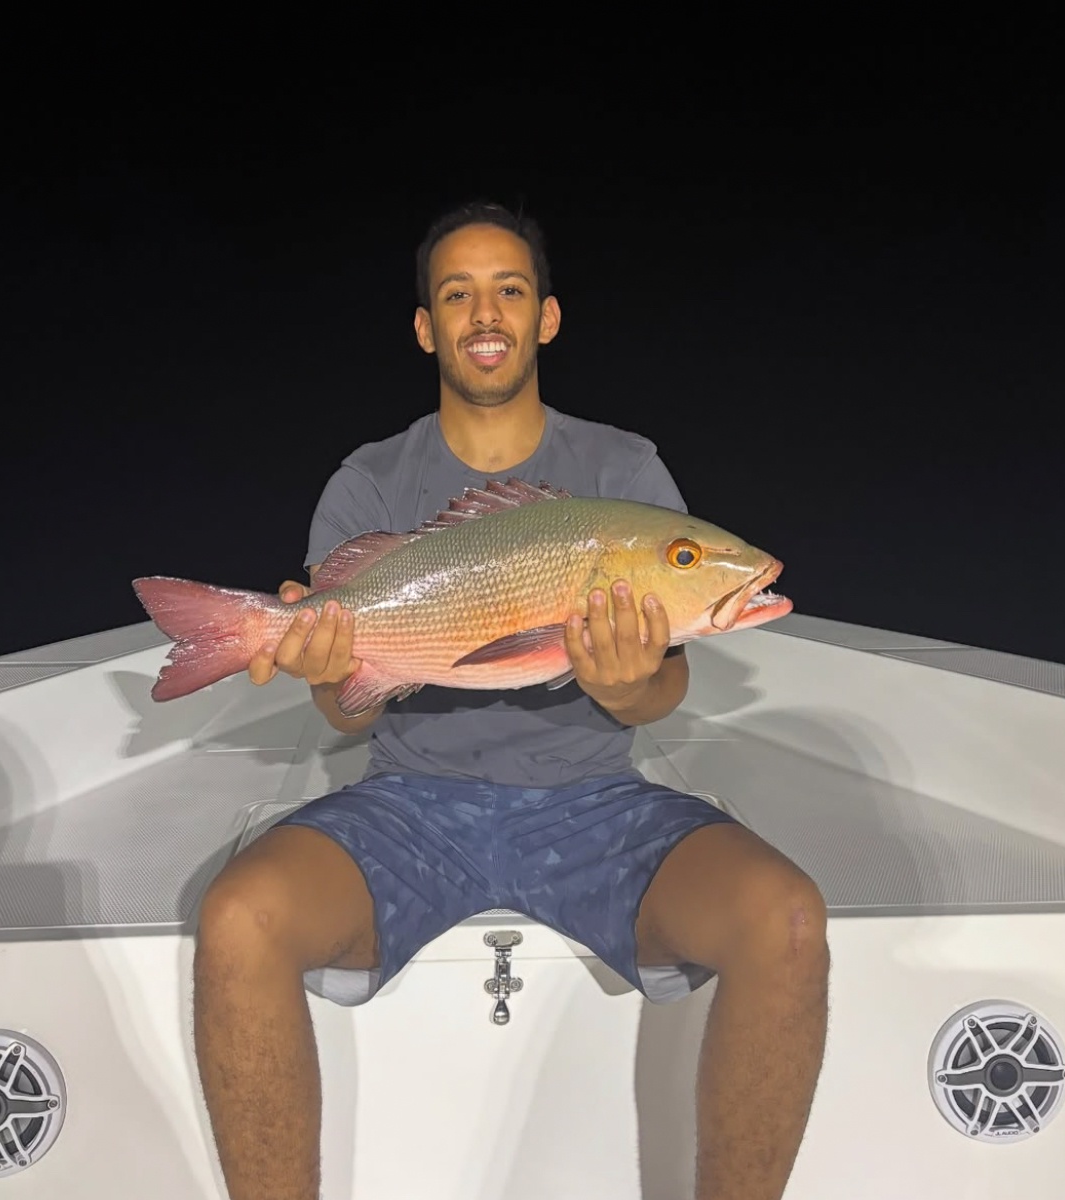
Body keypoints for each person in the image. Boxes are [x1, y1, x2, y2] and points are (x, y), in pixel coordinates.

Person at [192, 201, 829, 1200]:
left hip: (596, 803)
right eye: (457, 293)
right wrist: (322, 663)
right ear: (425, 327)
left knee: (786, 918)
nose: (484, 312)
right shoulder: (369, 482)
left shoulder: (622, 471)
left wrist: (631, 681)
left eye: (509, 289)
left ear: (547, 317)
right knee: (237, 917)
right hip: (408, 802)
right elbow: (346, 712)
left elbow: (662, 690)